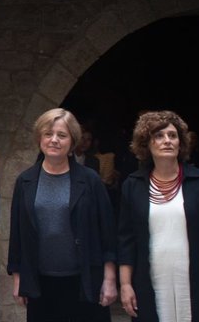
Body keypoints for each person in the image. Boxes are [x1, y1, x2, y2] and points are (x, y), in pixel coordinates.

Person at [118, 110, 199, 322]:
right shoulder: (133, 185)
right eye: (159, 136)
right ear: (146, 144)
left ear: (181, 143)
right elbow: (127, 240)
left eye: (173, 136)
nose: (167, 141)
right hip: (151, 279)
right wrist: (126, 284)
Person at [7, 108, 117, 322]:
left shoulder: (90, 180)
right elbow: (18, 233)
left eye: (62, 135)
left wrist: (110, 278)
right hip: (41, 284)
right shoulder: (25, 181)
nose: (54, 140)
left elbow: (107, 231)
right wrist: (19, 277)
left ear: (72, 141)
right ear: (40, 138)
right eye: (48, 134)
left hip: (85, 280)